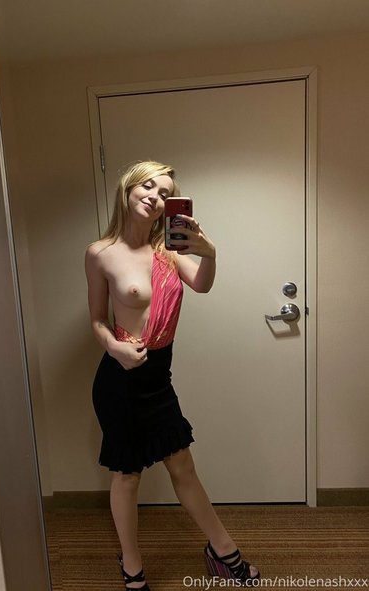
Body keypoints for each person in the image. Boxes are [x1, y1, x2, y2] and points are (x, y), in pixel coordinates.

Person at [85, 161, 260, 589]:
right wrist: (114, 347)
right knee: (127, 475)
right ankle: (132, 565)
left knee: (182, 465)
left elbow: (201, 284)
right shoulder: (100, 253)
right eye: (147, 186)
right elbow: (97, 320)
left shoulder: (169, 250)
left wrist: (209, 252)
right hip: (120, 379)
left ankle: (222, 550)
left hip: (158, 378)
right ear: (128, 189)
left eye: (164, 193)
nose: (154, 196)